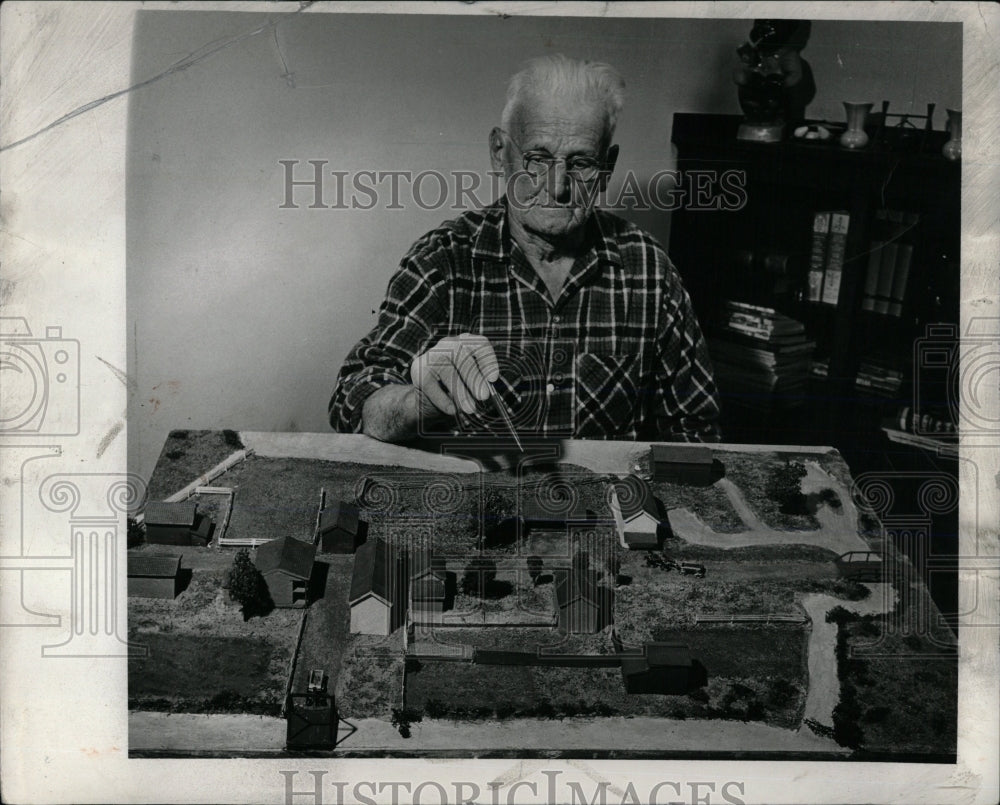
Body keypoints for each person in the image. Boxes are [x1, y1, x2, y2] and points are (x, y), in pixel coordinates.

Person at [329, 54, 720, 444]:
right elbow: (353, 400)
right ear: (500, 153)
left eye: (581, 162)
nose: (558, 185)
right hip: (474, 501)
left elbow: (695, 430)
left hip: (607, 502)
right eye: (538, 158)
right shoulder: (443, 261)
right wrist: (422, 402)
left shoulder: (649, 271)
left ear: (607, 167)